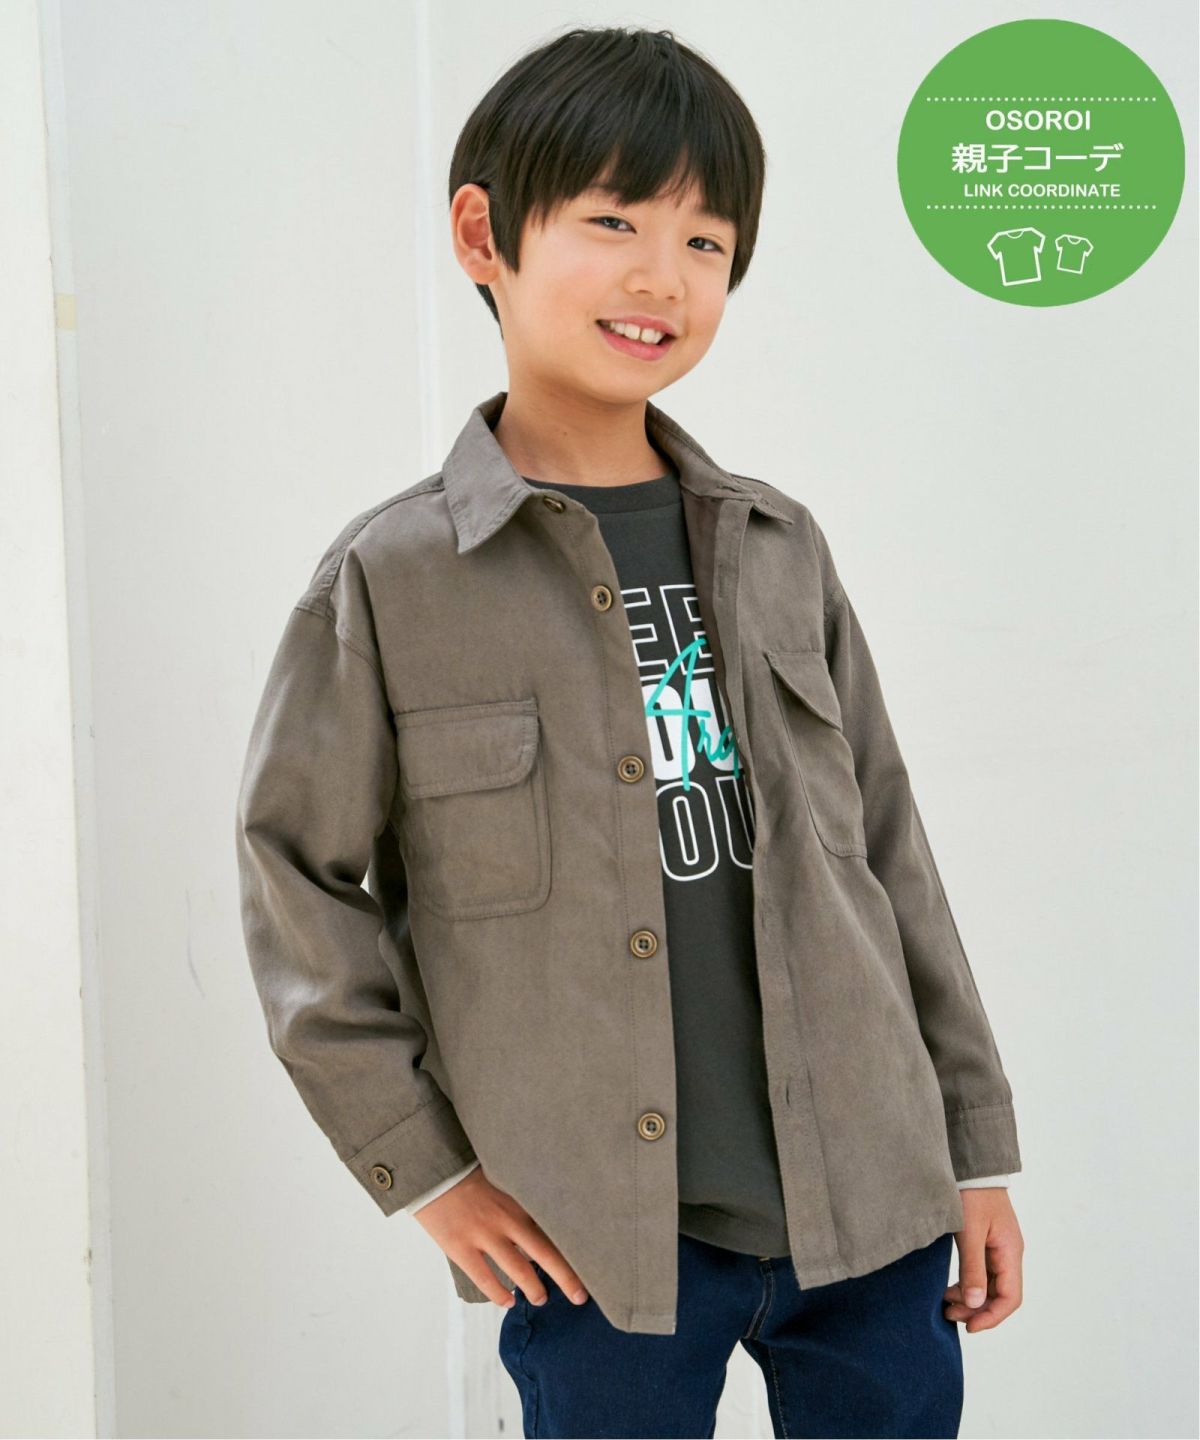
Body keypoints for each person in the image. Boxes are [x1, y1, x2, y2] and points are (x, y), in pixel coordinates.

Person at [235, 23, 1024, 1439]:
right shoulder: (394, 581)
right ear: (483, 235)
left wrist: (973, 1152)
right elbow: (297, 884)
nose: (663, 275)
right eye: (614, 221)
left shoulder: (780, 547)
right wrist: (427, 1173)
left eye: (706, 242)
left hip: (870, 1197)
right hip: (591, 1237)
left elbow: (892, 852)